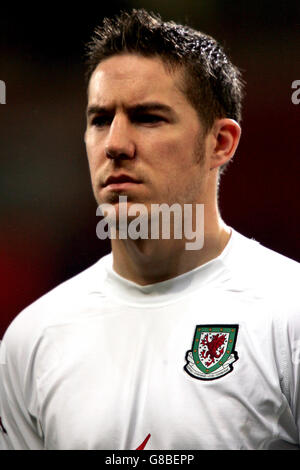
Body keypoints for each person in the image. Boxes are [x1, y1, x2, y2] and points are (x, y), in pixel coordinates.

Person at [0, 9, 299, 451]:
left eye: (148, 117)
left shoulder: (289, 312)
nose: (115, 144)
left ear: (220, 143)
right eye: (100, 119)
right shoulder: (33, 338)